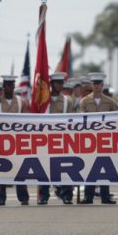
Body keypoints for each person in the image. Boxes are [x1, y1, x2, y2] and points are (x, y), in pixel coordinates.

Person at [79, 73, 117, 205]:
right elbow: (81, 120)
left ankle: (105, 196)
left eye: (99, 84)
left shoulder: (110, 102)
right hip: (89, 139)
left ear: (102, 85)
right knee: (89, 166)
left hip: (105, 138)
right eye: (94, 84)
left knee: (105, 167)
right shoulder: (84, 101)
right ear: (91, 85)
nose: (96, 86)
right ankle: (88, 196)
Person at [38, 72, 74, 205]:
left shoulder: (67, 100)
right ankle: (43, 195)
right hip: (45, 139)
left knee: (65, 167)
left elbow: (72, 120)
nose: (60, 85)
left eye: (61, 83)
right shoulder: (42, 100)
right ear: (51, 84)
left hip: (62, 138)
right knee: (43, 167)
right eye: (57, 83)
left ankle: (66, 194)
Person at [0, 75, 30, 206]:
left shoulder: (21, 102)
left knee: (20, 169)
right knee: (1, 169)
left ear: (14, 86)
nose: (9, 87)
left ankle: (23, 197)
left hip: (17, 140)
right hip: (1, 140)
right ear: (3, 87)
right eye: (7, 85)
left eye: (11, 85)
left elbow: (27, 121)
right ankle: (0, 197)